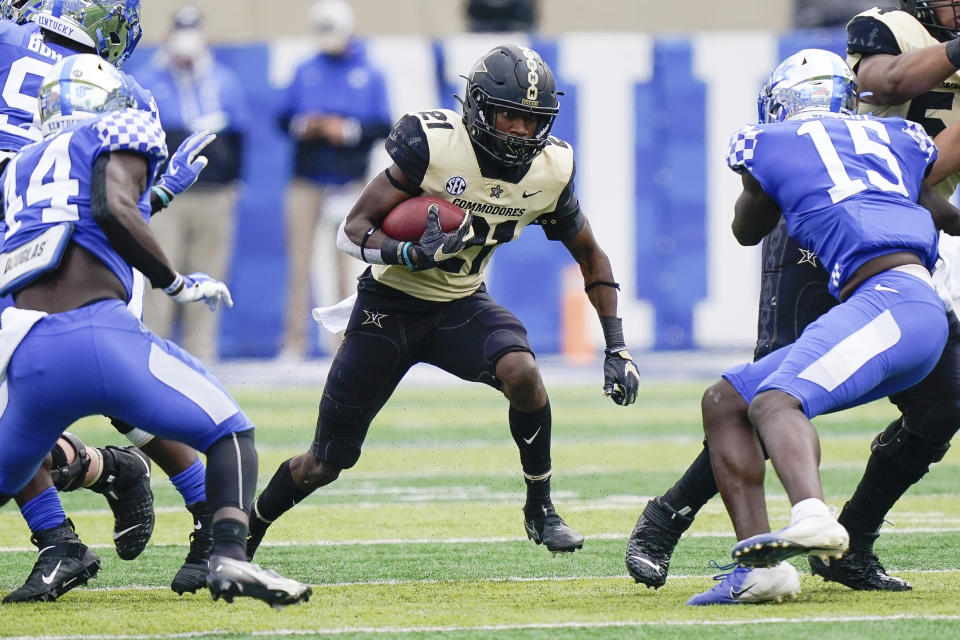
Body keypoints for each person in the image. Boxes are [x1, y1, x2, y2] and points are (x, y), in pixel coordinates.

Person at [246, 44, 640, 559]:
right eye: (509, 116)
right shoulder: (433, 145)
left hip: (460, 304)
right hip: (388, 305)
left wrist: (617, 348)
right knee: (325, 462)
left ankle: (540, 506)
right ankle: (242, 533)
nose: (521, 131)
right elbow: (352, 230)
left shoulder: (551, 169)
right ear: (478, 108)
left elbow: (591, 255)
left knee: (522, 370)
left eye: (531, 119)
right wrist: (406, 251)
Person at [625, 0, 960, 595]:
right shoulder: (898, 129)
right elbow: (931, 193)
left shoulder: (772, 141)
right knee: (734, 398)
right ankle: (735, 556)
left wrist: (764, 172)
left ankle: (826, 524)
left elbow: (743, 225)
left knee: (781, 401)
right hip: (865, 270)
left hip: (886, 286)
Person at [0, 52, 311, 607]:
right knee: (231, 432)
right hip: (103, 336)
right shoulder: (119, 127)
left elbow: (71, 218)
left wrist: (158, 194)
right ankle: (228, 557)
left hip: (28, 353)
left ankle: (64, 533)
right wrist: (174, 283)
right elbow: (112, 206)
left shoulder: (16, 168)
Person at [0, 0, 219, 603]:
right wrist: (164, 192)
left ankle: (194, 503)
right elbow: (126, 200)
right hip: (54, 244)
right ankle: (79, 516)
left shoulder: (8, 37)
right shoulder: (132, 92)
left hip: (49, 246)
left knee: (103, 390)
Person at [276, 0, 391, 360]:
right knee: (300, 263)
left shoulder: (370, 72)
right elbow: (283, 117)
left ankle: (345, 342)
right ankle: (293, 342)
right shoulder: (305, 68)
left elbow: (381, 125)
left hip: (349, 182)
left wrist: (347, 129)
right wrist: (307, 124)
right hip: (306, 180)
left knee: (347, 265)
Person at [135, 5, 249, 362]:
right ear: (167, 37)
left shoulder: (223, 80)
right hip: (166, 196)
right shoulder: (147, 79)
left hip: (214, 194)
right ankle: (155, 354)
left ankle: (201, 357)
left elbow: (239, 135)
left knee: (209, 274)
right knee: (160, 272)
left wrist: (235, 182)